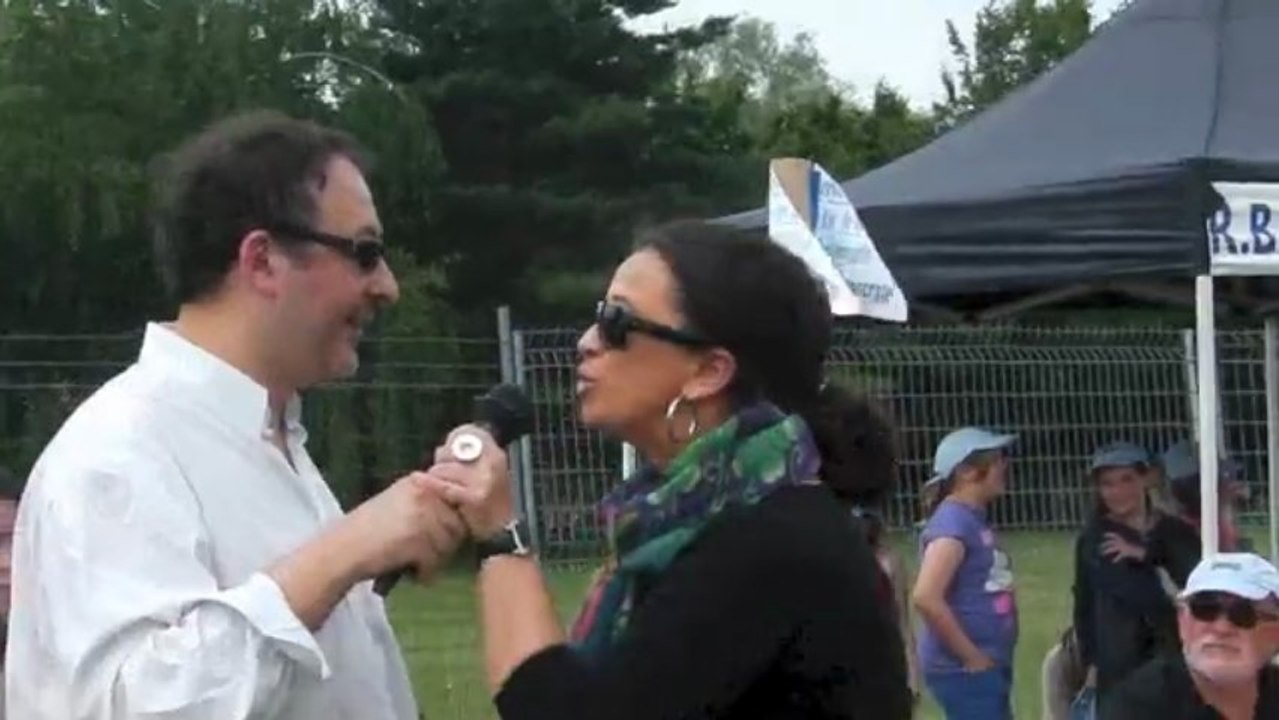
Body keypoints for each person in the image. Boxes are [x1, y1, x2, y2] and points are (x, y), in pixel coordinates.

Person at [4, 111, 465, 719]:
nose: (387, 285)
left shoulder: (272, 440)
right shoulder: (115, 454)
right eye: (365, 252)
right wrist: (345, 551)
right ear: (262, 261)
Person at [424, 221, 913, 718]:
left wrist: (502, 538)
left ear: (708, 372)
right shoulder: (705, 525)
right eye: (599, 316)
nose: (587, 342)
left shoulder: (772, 544)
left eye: (618, 322)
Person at [1072, 441, 1197, 708]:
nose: (1118, 492)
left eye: (1127, 479)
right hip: (1121, 664)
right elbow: (1137, 596)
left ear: (1147, 478)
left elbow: (1197, 583)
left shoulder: (1175, 532)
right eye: (1107, 483)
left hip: (1178, 660)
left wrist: (1146, 555)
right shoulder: (1097, 539)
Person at [911, 426, 1019, 720]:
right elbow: (926, 597)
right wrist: (971, 657)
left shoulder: (971, 519)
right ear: (968, 472)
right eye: (997, 459)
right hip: (965, 670)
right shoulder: (953, 524)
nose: (1005, 466)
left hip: (984, 665)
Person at [1101, 553, 1279, 719]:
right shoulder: (1137, 706)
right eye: (1204, 609)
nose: (1221, 628)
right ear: (1182, 621)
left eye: (1242, 614)